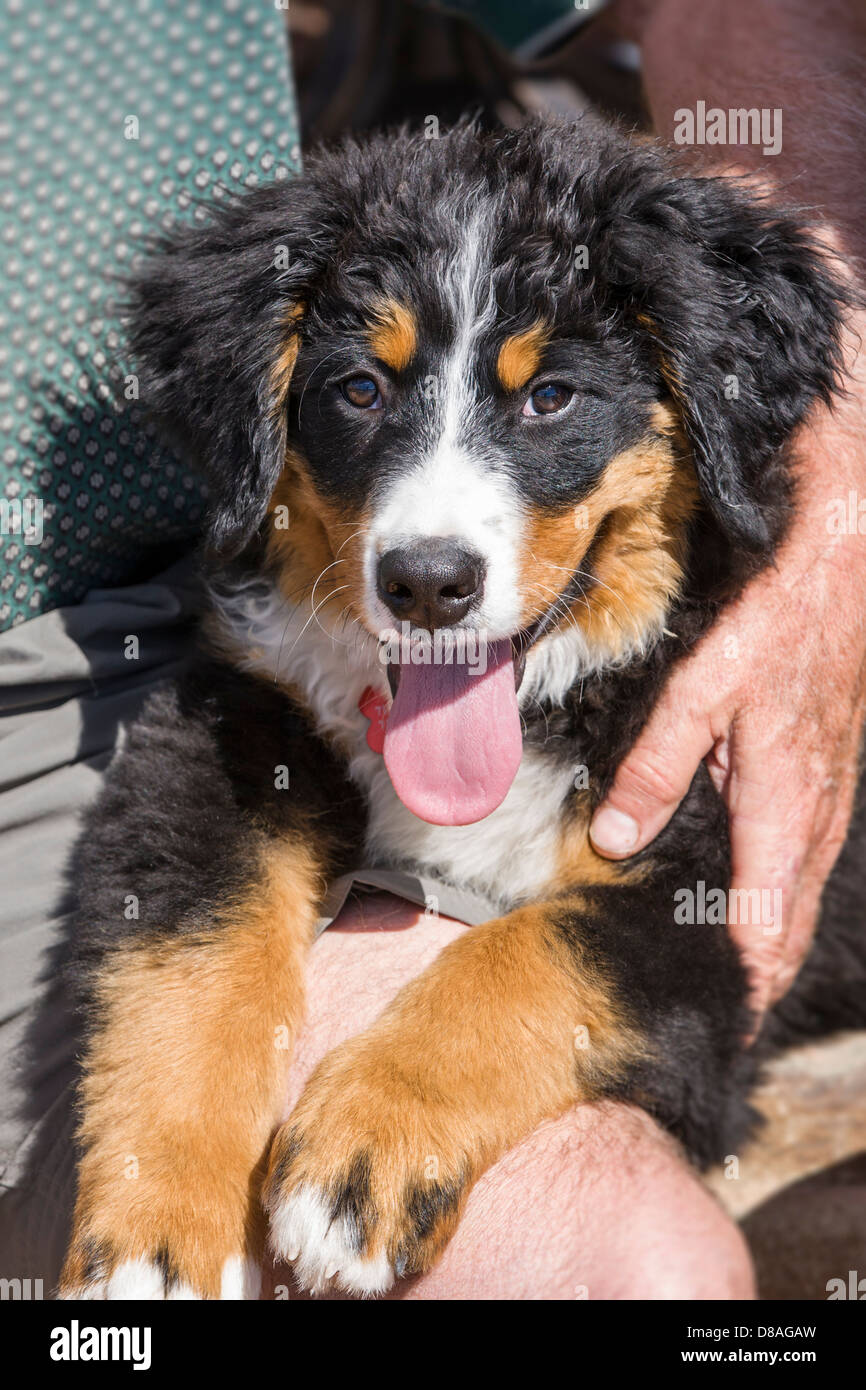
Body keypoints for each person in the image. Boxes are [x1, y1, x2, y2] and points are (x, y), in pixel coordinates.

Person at [1, 0, 862, 1300]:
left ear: (693, 411)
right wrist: (174, 1144)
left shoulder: (682, 682)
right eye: (360, 390)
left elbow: (682, 1006)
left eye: (553, 396)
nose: (433, 530)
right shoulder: (265, 691)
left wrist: (426, 1075)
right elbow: (196, 868)